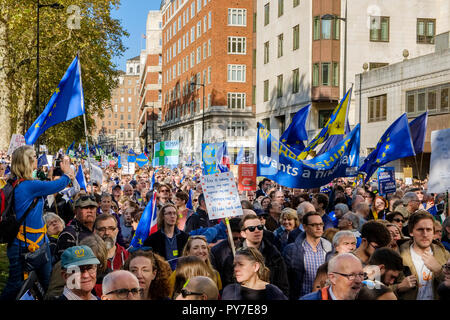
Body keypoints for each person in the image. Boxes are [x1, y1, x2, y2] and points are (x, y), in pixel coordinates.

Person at [1, 147, 74, 301]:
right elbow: (55, 186)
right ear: (26, 161)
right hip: (24, 247)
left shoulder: (19, 183)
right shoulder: (27, 186)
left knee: (46, 284)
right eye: (33, 156)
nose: (36, 159)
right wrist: (67, 173)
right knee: (16, 287)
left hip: (38, 244)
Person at [222, 214, 289, 297]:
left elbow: (283, 285)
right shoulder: (233, 257)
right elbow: (228, 284)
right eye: (251, 228)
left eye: (260, 227)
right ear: (243, 233)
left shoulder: (274, 255)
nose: (257, 231)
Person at [398, 210, 450, 300]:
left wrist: (438, 270)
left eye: (429, 230)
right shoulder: (398, 255)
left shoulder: (445, 254)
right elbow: (379, 288)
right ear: (411, 232)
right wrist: (398, 287)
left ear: (433, 232)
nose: (425, 234)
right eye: (420, 229)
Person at [283, 211, 334, 300]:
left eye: (321, 224)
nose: (319, 227)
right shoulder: (291, 250)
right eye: (314, 225)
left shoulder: (330, 249)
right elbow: (286, 280)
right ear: (305, 227)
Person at [222, 247, 287, 300]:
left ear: (256, 266)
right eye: (235, 265)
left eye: (241, 264)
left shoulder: (273, 292)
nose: (236, 269)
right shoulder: (230, 290)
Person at [143, 203, 189, 270]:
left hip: (181, 272)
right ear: (163, 217)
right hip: (162, 274)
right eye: (169, 213)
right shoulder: (152, 239)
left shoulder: (185, 237)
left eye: (174, 213)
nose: (172, 216)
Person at [55, 195, 98, 261]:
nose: (89, 211)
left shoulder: (100, 229)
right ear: (75, 211)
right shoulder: (69, 234)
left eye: (92, 207)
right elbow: (65, 263)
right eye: (85, 207)